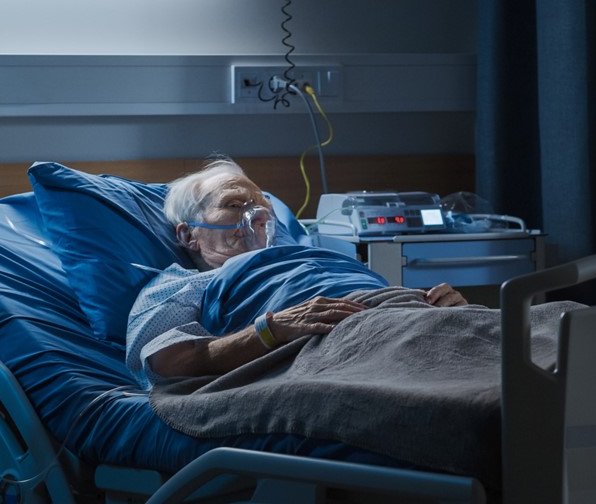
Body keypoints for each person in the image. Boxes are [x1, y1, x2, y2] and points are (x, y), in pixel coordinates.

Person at [125, 157, 468, 389]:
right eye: (234, 204)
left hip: (415, 320)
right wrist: (270, 331)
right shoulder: (183, 285)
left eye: (263, 206)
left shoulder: (318, 257)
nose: (257, 215)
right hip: (346, 344)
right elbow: (163, 365)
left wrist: (444, 307)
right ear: (188, 235)